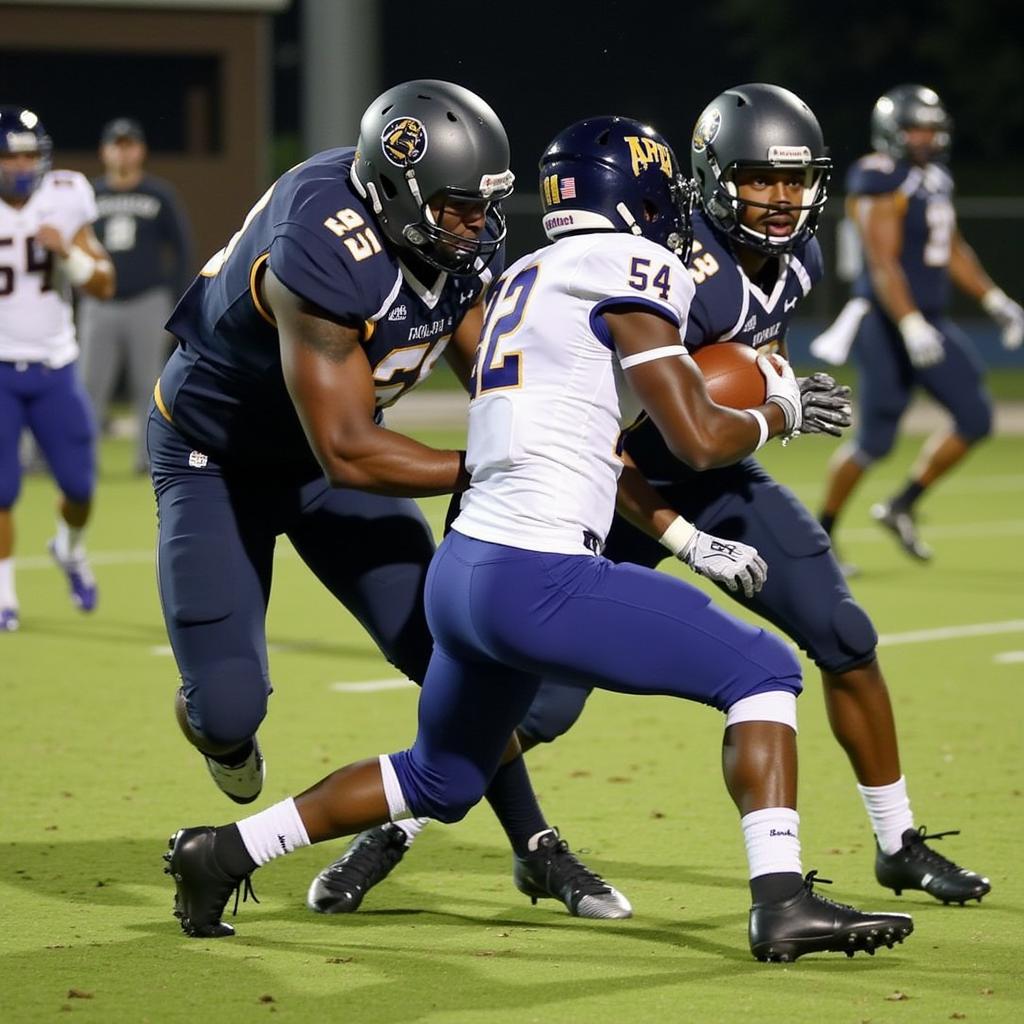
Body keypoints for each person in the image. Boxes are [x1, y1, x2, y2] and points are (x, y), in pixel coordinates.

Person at [164, 115, 915, 963]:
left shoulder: (523, 273)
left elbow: (587, 429)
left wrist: (679, 531)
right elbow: (698, 438)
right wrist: (779, 406)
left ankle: (221, 852)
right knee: (766, 673)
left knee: (437, 778)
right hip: (539, 572)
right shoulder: (634, 265)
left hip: (465, 569)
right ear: (640, 201)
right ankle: (781, 902)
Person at [321, 84, 990, 912]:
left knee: (845, 635)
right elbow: (629, 434)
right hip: (616, 488)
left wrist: (754, 403)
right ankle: (397, 825)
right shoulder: (672, 269)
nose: (780, 202)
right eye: (758, 180)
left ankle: (898, 841)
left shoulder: (794, 262)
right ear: (712, 180)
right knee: (538, 703)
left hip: (715, 475)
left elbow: (732, 401)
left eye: (793, 182)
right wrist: (683, 535)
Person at [150, 79, 632, 921]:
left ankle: (536, 846)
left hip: (328, 455)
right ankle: (215, 728)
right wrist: (494, 465)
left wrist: (569, 428)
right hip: (216, 459)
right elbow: (347, 452)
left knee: (462, 655)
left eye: (484, 206)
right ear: (396, 192)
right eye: (455, 208)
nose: (476, 226)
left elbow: (492, 375)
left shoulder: (458, 238)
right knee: (228, 709)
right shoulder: (322, 239)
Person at [812, 84, 1024, 562]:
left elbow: (950, 248)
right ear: (892, 133)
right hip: (888, 327)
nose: (925, 138)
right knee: (874, 443)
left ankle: (901, 505)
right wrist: (908, 323)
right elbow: (882, 261)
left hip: (928, 321)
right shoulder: (880, 176)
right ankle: (821, 538)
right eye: (915, 129)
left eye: (931, 128)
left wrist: (994, 299)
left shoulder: (935, 179)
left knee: (975, 417)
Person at [0, 106, 115, 632]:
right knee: (2, 491)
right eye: (12, 155)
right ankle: (5, 595)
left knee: (80, 486)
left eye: (29, 154)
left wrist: (66, 253)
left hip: (53, 365)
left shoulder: (64, 195)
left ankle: (67, 549)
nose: (22, 165)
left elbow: (104, 283)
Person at [78, 117, 193, 475]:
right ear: (104, 150)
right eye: (116, 144)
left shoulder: (158, 194)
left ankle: (149, 460)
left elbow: (182, 248)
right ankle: (82, 461)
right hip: (100, 302)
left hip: (148, 300)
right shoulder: (90, 195)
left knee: (150, 384)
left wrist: (176, 301)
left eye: (129, 144)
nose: (122, 151)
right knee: (89, 384)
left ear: (140, 150)